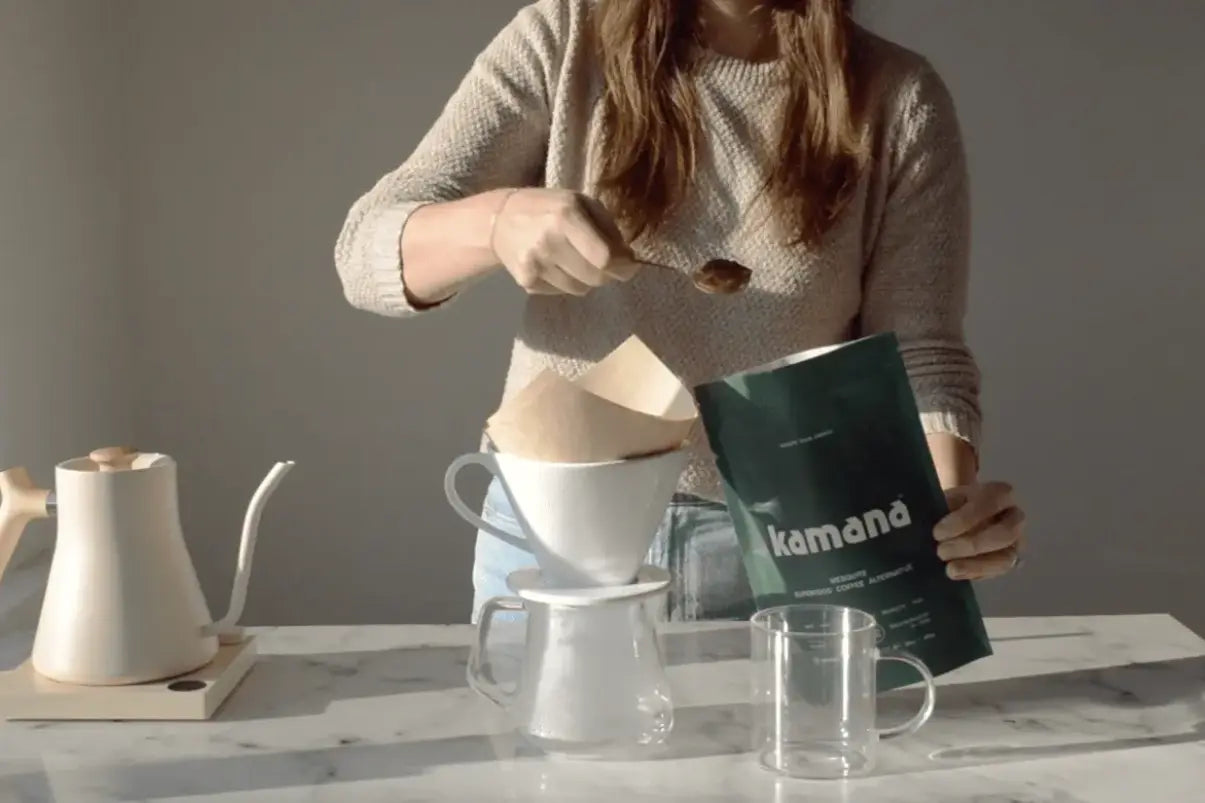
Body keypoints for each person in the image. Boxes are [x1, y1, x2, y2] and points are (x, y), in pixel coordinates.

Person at [334, 0, 1026, 622]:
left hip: (799, 540)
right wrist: (497, 222)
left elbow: (917, 351)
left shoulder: (897, 96)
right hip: (561, 527)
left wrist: (944, 511)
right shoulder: (562, 36)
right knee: (544, 765)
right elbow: (364, 254)